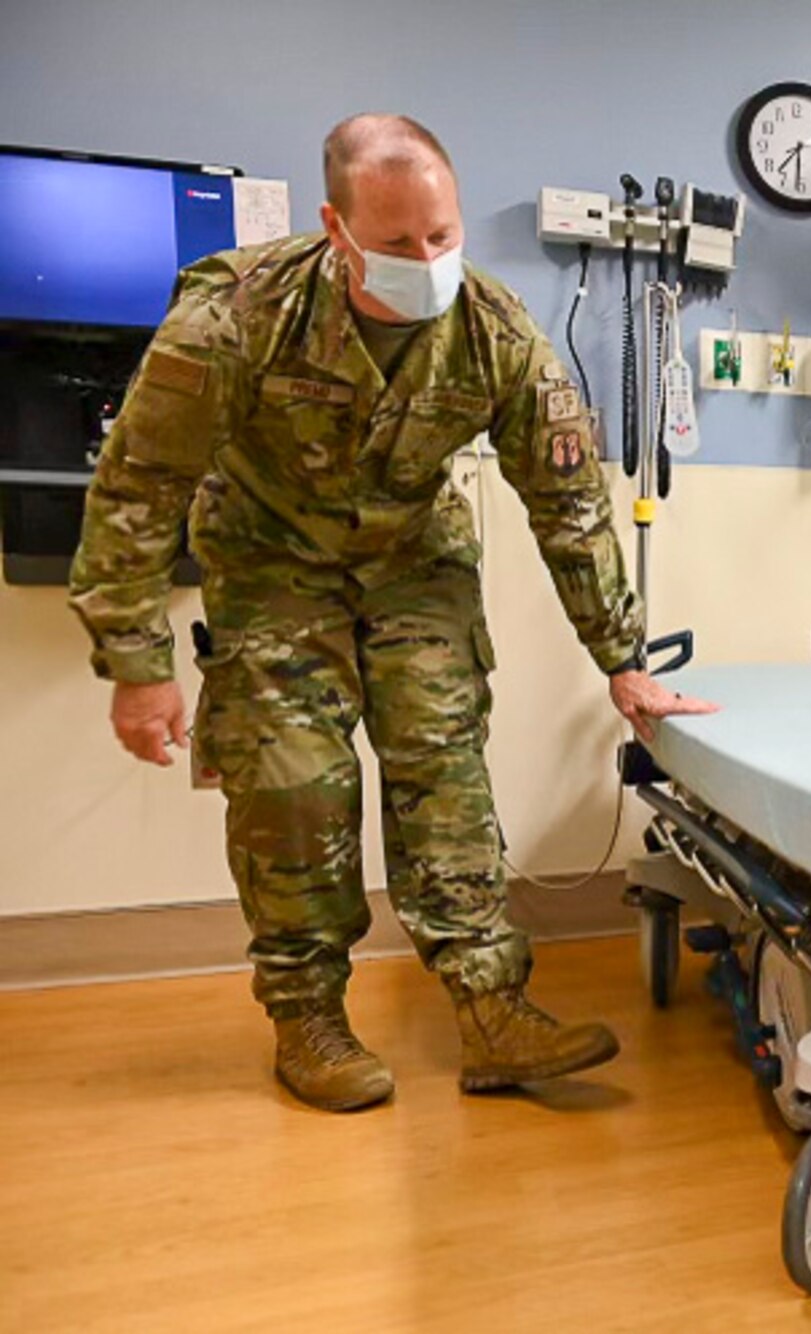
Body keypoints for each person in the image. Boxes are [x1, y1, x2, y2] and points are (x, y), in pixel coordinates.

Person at [69, 113, 714, 1113]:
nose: (428, 260)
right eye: (401, 242)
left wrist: (620, 655)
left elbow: (571, 502)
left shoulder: (493, 330)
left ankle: (494, 1012)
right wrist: (138, 663)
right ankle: (309, 1020)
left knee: (443, 770)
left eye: (443, 236)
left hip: (414, 564)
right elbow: (139, 486)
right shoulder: (239, 316)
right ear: (336, 227)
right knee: (298, 784)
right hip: (273, 563)